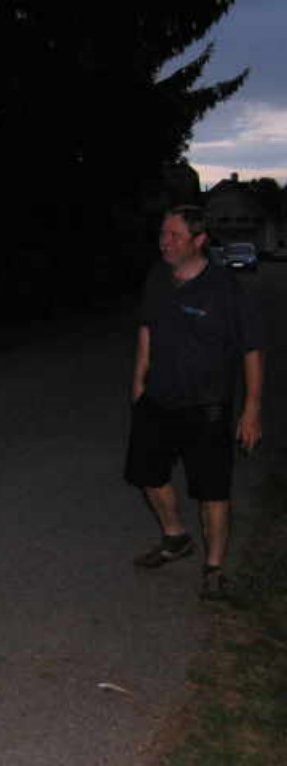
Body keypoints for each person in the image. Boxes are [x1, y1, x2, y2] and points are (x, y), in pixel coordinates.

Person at [124, 204, 263, 601]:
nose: (164, 242)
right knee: (146, 474)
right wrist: (138, 382)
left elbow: (251, 348)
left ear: (199, 241)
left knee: (212, 491)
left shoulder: (224, 288)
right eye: (162, 234)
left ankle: (214, 568)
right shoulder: (157, 277)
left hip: (208, 405)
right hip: (158, 398)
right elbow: (147, 330)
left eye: (174, 236)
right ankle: (175, 536)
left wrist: (251, 409)